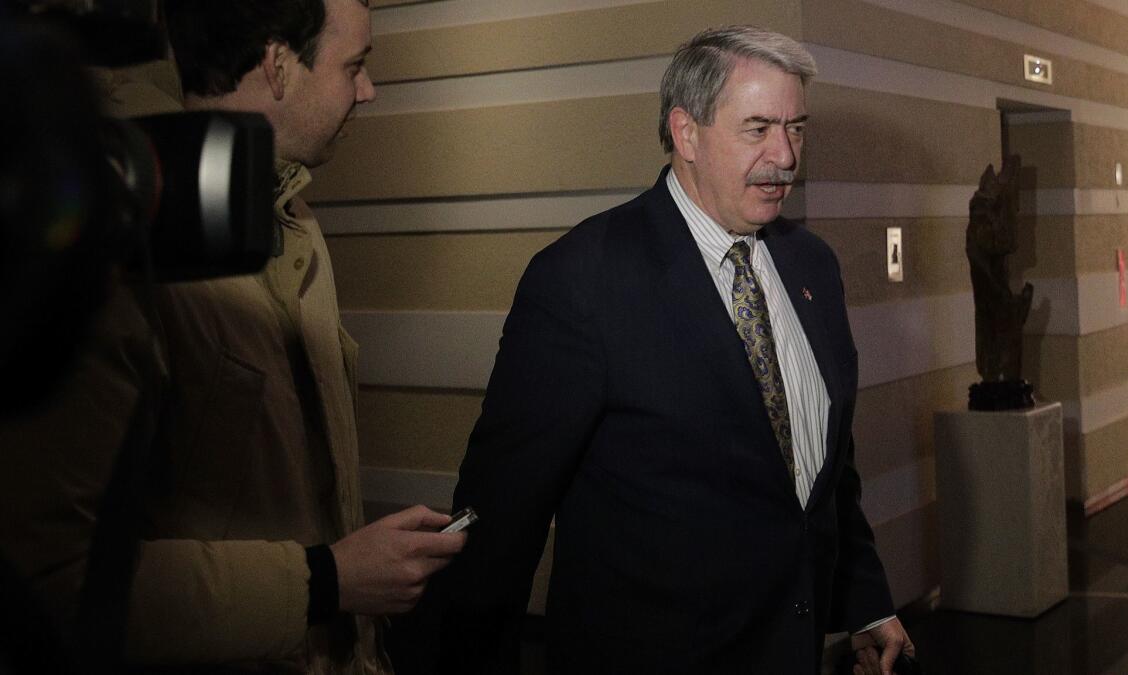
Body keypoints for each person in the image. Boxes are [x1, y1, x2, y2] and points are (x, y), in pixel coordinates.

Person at [428, 26, 916, 675]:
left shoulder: (813, 266)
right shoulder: (581, 281)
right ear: (686, 133)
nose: (786, 155)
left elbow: (823, 473)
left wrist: (866, 602)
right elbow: (502, 520)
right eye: (758, 128)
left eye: (796, 127)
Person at [0, 0, 465, 672]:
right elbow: (57, 582)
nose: (367, 89)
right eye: (355, 65)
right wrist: (327, 579)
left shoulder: (294, 219)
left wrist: (360, 588)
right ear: (278, 65)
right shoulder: (107, 241)